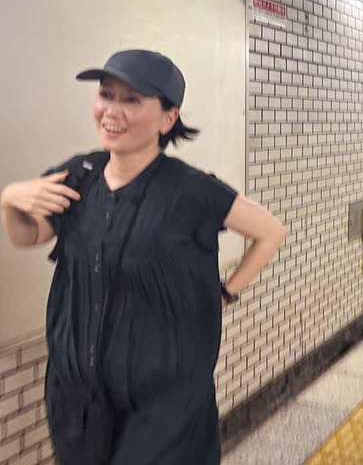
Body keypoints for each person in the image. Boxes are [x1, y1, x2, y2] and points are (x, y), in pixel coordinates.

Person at [0, 50, 287, 465]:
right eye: (106, 95)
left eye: (131, 100)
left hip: (164, 403)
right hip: (80, 397)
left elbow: (271, 232)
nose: (112, 111)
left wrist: (226, 293)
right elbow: (30, 236)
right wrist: (10, 200)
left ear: (168, 119)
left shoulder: (190, 189)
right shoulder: (79, 175)